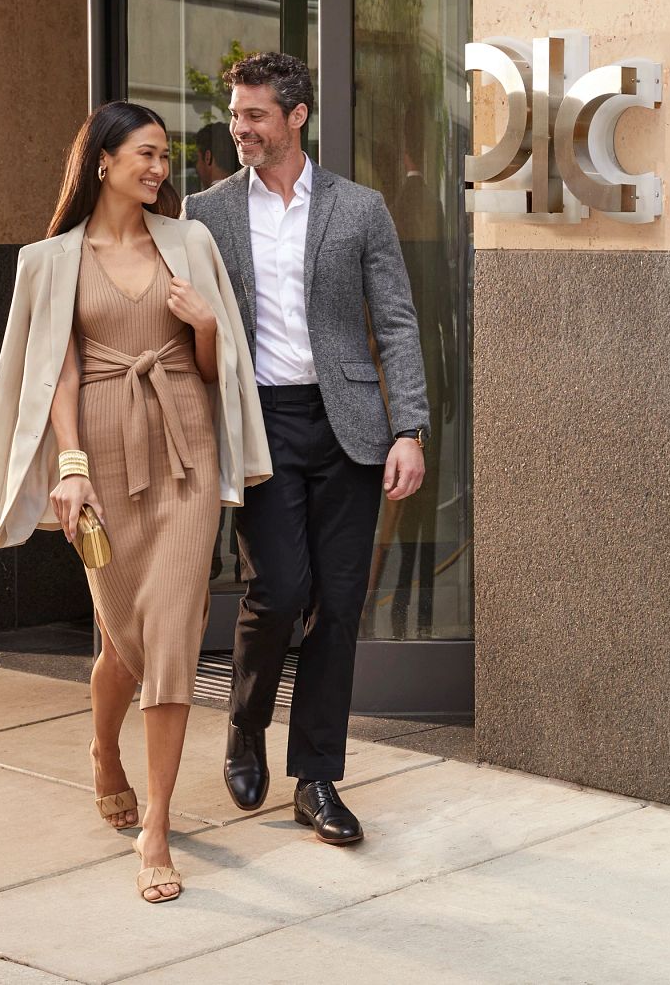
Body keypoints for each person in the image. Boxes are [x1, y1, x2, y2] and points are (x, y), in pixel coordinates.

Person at [0, 101, 270, 905]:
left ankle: (158, 827)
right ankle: (106, 747)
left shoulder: (190, 243)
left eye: (165, 156)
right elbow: (55, 375)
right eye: (144, 153)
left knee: (172, 634)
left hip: (184, 449)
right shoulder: (51, 259)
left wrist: (206, 323)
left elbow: (215, 370)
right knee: (125, 640)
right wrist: (70, 469)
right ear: (102, 160)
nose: (159, 168)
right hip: (99, 453)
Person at [184, 51, 429, 846]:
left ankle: (316, 776)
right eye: (235, 112)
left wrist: (409, 427)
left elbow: (395, 321)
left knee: (339, 604)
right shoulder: (206, 212)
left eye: (254, 114)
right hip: (259, 424)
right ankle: (247, 720)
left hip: (349, 428)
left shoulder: (360, 208)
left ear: (297, 116)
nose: (239, 127)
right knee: (280, 589)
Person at [193, 121, 240, 190]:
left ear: (207, 157)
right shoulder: (251, 195)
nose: (196, 167)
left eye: (197, 159)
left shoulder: (198, 200)